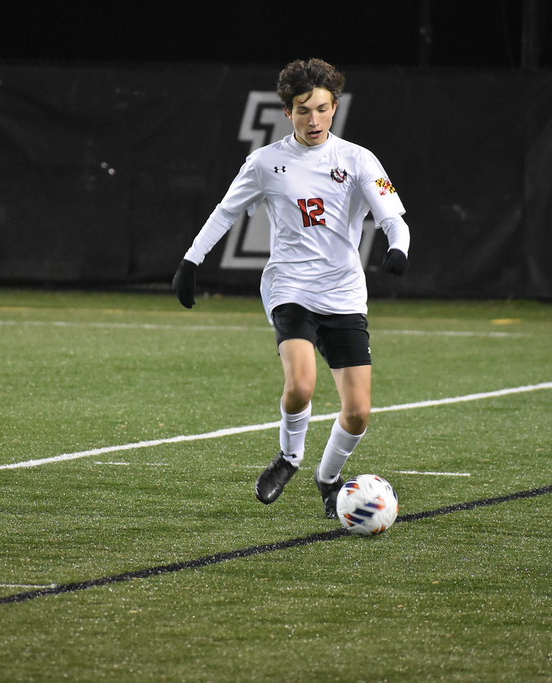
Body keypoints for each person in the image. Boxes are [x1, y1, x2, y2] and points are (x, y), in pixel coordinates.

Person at [172, 58, 411, 519]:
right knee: (302, 384)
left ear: (335, 107)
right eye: (304, 110)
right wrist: (191, 260)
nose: (314, 119)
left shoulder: (359, 159)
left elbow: (391, 218)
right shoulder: (265, 163)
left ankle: (328, 479)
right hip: (290, 287)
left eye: (322, 108)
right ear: (288, 112)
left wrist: (397, 248)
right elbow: (225, 212)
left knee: (358, 412)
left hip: (343, 294)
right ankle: (290, 457)